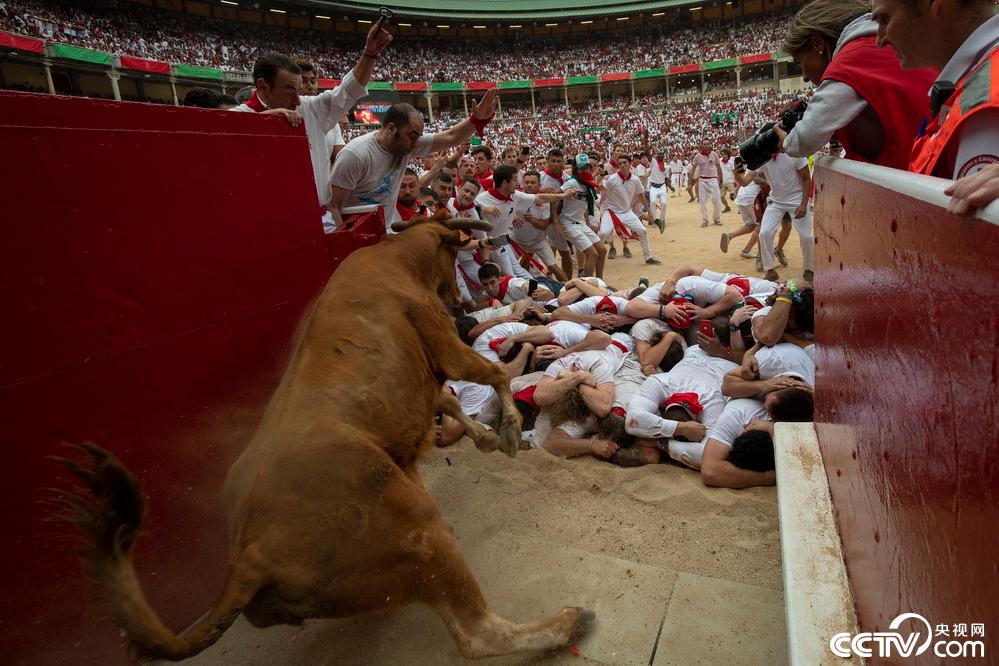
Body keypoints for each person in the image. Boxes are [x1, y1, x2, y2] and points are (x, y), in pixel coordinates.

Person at [230, 20, 392, 213]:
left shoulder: (310, 109)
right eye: (289, 91)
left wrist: (370, 53)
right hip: (265, 222)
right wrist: (262, 122)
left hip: (318, 216)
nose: (298, 100)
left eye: (299, 91)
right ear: (263, 86)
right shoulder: (236, 119)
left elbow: (348, 91)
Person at [777, 0, 938, 170]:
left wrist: (785, 140)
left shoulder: (849, 63)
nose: (804, 77)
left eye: (799, 63)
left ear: (818, 44)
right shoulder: (885, 45)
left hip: (923, 176)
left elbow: (803, 140)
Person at [869, 0, 998, 187]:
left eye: (885, 19)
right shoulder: (977, 81)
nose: (879, 40)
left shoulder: (984, 104)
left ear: (941, 6)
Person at [328, 91, 498, 230]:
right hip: (355, 232)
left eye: (418, 137)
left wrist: (477, 120)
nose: (416, 144)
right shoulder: (356, 155)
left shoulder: (407, 144)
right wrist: (346, 242)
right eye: (412, 136)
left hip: (383, 229)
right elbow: (333, 206)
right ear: (392, 128)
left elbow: (451, 137)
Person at [475, 165, 578, 279]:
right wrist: (482, 208)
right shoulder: (481, 199)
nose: (518, 182)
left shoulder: (515, 195)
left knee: (517, 272)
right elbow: (469, 210)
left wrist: (563, 195)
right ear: (504, 183)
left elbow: (540, 198)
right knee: (510, 276)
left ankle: (537, 289)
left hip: (504, 241)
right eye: (514, 180)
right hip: (490, 244)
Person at [735, 139, 814, 283]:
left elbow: (806, 180)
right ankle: (769, 270)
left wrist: (803, 203)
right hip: (776, 201)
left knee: (806, 236)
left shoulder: (795, 153)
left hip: (796, 200)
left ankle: (809, 269)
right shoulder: (762, 157)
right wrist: (738, 175)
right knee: (764, 233)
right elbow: (745, 181)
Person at [599, 155, 663, 266]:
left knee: (643, 231)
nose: (623, 165)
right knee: (603, 233)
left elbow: (641, 196)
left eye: (625, 162)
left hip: (626, 212)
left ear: (630, 164)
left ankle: (648, 257)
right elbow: (603, 194)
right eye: (620, 163)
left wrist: (650, 212)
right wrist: (601, 209)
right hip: (611, 212)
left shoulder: (635, 180)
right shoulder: (612, 179)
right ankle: (596, 257)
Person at [559, 154, 607, 279]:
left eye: (587, 168)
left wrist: (587, 222)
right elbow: (555, 198)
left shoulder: (587, 184)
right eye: (582, 168)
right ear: (576, 169)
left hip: (581, 223)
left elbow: (583, 205)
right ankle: (587, 285)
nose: (585, 171)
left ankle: (599, 281)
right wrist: (556, 221)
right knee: (592, 254)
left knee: (602, 250)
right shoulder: (572, 183)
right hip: (569, 223)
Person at [538, 149, 576, 280]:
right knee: (529, 252)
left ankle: (568, 282)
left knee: (564, 252)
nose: (555, 164)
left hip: (555, 221)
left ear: (563, 163)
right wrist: (539, 190)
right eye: (552, 161)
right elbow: (526, 191)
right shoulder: (539, 177)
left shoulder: (567, 179)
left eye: (558, 161)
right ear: (547, 161)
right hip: (538, 220)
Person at [689, 140, 724, 228]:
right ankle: (705, 220)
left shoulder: (714, 154)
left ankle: (716, 218)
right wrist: (690, 182)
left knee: (717, 200)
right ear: (701, 145)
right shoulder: (697, 156)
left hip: (713, 179)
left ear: (710, 144)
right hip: (702, 180)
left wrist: (721, 181)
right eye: (704, 144)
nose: (706, 146)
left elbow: (719, 168)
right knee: (702, 201)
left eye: (708, 144)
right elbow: (693, 169)